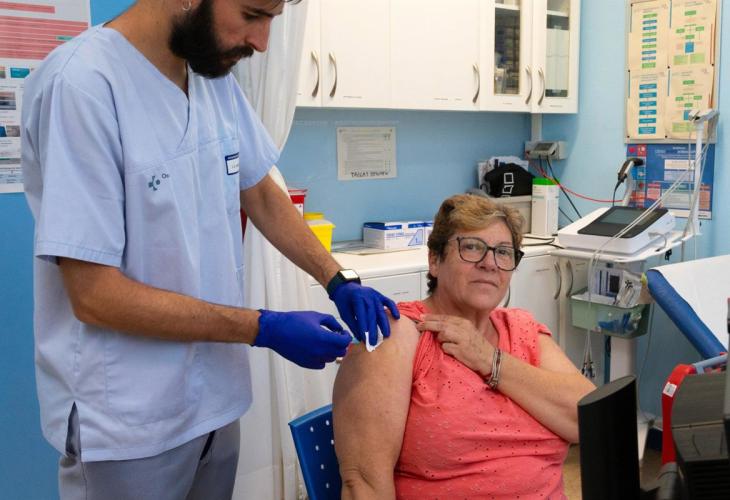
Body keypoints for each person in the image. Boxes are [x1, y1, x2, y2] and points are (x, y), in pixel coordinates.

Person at [20, 1, 399, 498]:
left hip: (215, 403)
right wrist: (263, 327)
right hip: (129, 421)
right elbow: (95, 296)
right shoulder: (83, 86)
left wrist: (336, 278)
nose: (262, 42)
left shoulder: (209, 76)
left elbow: (260, 191)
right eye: (252, 14)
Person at [333, 194, 596, 499]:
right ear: (435, 260)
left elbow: (590, 420)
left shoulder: (521, 329)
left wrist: (490, 359)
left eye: (503, 252)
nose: (489, 263)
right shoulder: (398, 335)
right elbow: (363, 483)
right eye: (471, 247)